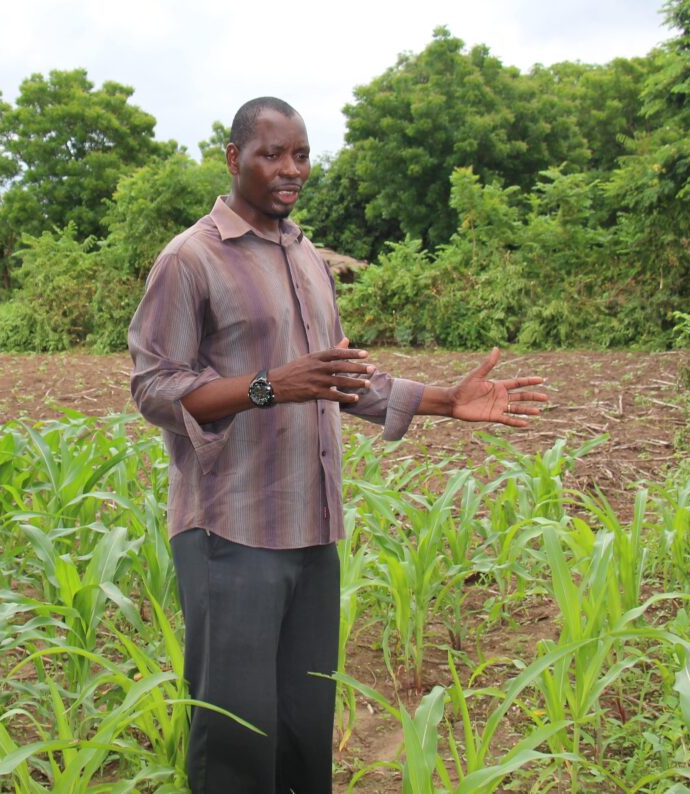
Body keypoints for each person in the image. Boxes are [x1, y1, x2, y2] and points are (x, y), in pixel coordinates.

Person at [128, 96, 548, 794]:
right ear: (234, 160)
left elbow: (334, 378)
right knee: (236, 738)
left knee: (302, 730)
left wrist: (446, 400)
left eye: (301, 154)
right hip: (231, 533)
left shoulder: (306, 257)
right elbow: (155, 388)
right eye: (271, 154)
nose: (290, 170)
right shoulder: (191, 259)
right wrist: (268, 387)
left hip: (313, 530)